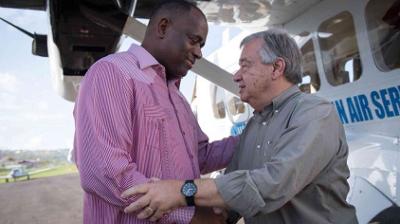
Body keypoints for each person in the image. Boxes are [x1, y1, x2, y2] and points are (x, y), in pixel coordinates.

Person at [121, 28, 359, 224]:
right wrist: (167, 210)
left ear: (277, 68)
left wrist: (180, 192)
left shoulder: (315, 114)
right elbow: (229, 203)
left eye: (245, 65)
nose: (236, 76)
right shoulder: (254, 125)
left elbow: (269, 186)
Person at [73, 1, 238, 223]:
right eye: (194, 40)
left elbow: (200, 156)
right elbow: (106, 172)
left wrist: (256, 135)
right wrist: (191, 216)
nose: (199, 53)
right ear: (162, 27)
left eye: (202, 45)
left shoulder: (178, 97)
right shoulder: (113, 73)